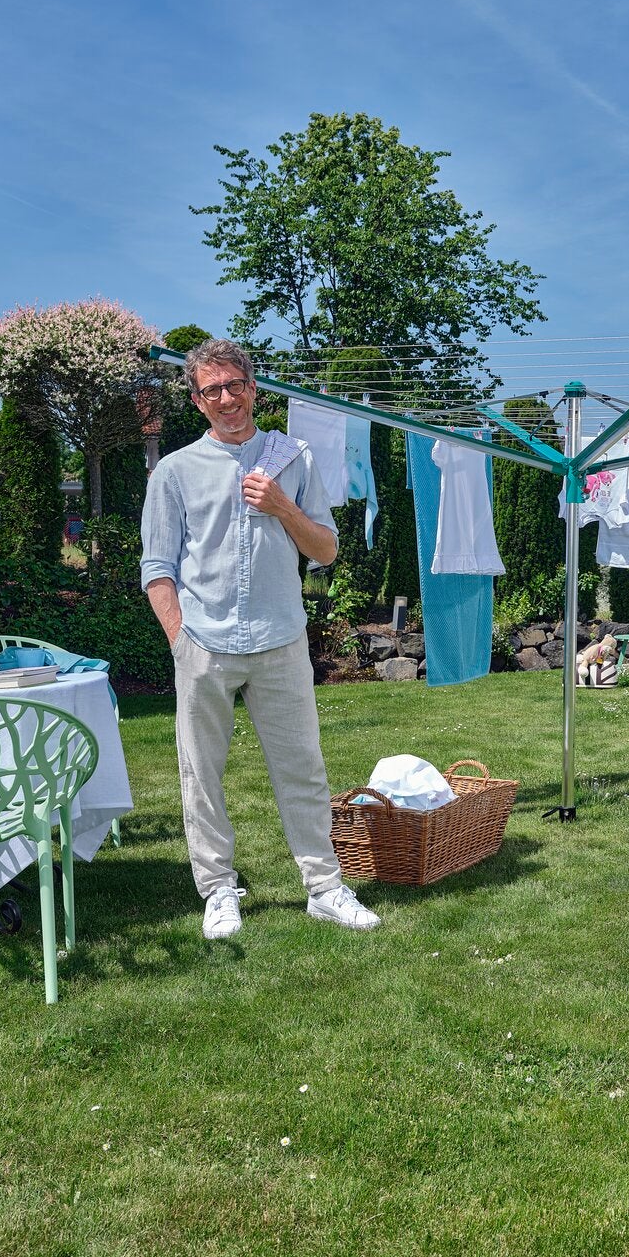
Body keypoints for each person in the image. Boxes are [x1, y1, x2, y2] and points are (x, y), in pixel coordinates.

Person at [140, 337, 380, 940]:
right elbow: (157, 568)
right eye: (211, 389)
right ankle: (219, 890)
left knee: (302, 768)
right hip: (205, 644)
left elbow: (324, 550)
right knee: (201, 773)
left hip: (280, 641)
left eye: (235, 385)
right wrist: (179, 639)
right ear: (197, 400)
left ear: (253, 388)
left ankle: (325, 888)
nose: (226, 399)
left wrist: (281, 506)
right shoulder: (174, 472)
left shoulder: (291, 459)